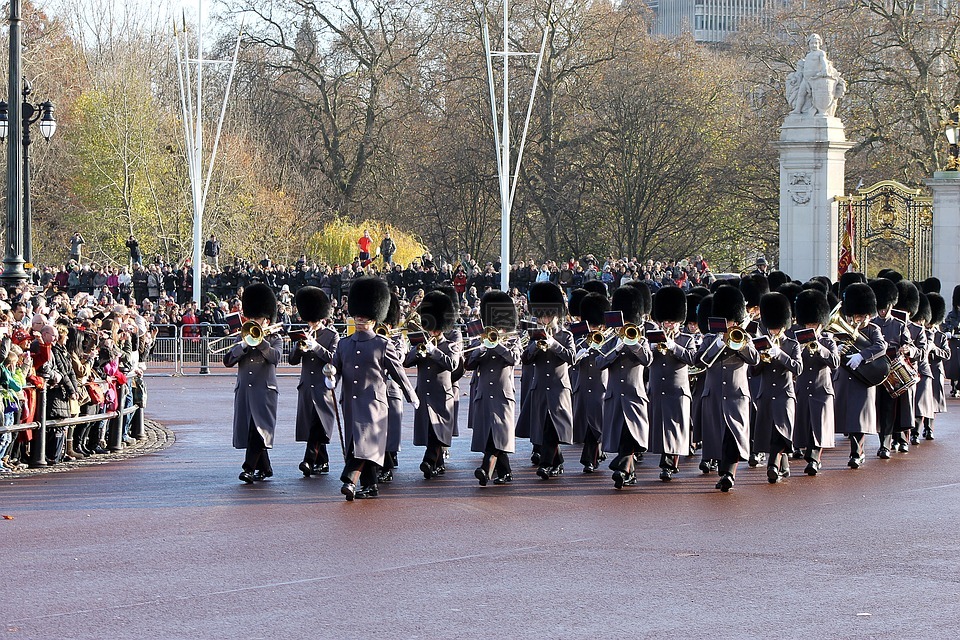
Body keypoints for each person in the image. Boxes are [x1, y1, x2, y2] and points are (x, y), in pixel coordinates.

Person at [332, 277, 417, 501]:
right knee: (361, 444)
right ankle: (371, 486)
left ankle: (350, 480)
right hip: (350, 402)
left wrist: (411, 394)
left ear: (373, 317)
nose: (360, 319)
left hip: (373, 404)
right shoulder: (344, 343)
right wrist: (329, 379)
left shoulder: (383, 343)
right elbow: (335, 369)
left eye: (365, 315)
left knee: (364, 443)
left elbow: (398, 372)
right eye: (358, 314)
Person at [694, 285, 761, 492]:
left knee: (734, 435)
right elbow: (701, 361)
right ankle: (723, 471)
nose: (729, 324)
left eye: (732, 320)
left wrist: (739, 344)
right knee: (717, 436)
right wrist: (718, 342)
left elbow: (755, 359)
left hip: (736, 394)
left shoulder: (744, 337)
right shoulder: (709, 338)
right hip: (714, 393)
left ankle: (728, 474)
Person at [224, 283, 282, 484]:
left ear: (267, 320)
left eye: (258, 320)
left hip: (264, 391)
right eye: (252, 319)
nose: (254, 323)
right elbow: (227, 361)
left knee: (258, 430)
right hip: (245, 391)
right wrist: (243, 345)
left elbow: (275, 358)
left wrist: (261, 341)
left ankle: (248, 468)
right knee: (251, 430)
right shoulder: (244, 339)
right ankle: (265, 468)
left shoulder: (275, 339)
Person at [598, 284, 653, 489]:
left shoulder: (642, 339)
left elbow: (647, 359)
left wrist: (632, 343)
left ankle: (621, 469)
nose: (626, 326)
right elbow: (600, 363)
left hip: (634, 395)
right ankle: (628, 473)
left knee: (631, 437)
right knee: (622, 436)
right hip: (615, 396)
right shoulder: (611, 341)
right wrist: (617, 348)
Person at [518, 282, 574, 479]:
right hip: (540, 387)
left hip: (559, 387)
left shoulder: (565, 335)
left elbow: (572, 357)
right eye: (541, 316)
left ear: (555, 314)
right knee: (544, 427)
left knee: (553, 425)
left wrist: (553, 344)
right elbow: (524, 359)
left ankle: (545, 464)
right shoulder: (534, 335)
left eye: (547, 315)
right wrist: (535, 347)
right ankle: (557, 462)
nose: (544, 319)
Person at [466, 290, 521, 486]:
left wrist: (496, 344)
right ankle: (505, 472)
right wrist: (480, 349)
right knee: (490, 434)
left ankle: (486, 469)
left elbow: (514, 358)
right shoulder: (481, 339)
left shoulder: (513, 339)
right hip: (484, 394)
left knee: (497, 433)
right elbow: (469, 365)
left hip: (502, 393)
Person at [404, 291, 460, 480]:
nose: (432, 331)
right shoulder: (422, 344)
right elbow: (406, 362)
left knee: (438, 432)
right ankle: (438, 464)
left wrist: (434, 351)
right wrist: (418, 353)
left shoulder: (450, 345)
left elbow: (452, 365)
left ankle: (428, 461)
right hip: (424, 394)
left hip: (442, 395)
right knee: (430, 431)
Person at [833, 281, 887, 469]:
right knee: (846, 417)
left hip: (863, 379)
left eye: (863, 316)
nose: (860, 320)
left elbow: (881, 346)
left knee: (858, 419)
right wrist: (836, 348)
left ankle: (857, 453)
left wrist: (862, 355)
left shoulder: (873, 329)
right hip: (845, 378)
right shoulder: (840, 329)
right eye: (857, 316)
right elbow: (828, 344)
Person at [647, 286, 697, 482]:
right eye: (665, 321)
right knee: (661, 427)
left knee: (675, 427)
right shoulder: (651, 338)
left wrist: (673, 347)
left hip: (677, 389)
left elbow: (692, 358)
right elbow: (644, 361)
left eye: (671, 321)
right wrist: (649, 349)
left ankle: (669, 464)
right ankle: (666, 460)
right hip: (658, 388)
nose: (668, 325)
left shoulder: (686, 339)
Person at [752, 292, 802, 483]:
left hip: (785, 394)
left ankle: (773, 465)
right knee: (772, 432)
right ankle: (784, 465)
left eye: (777, 328)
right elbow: (753, 372)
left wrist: (780, 354)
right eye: (771, 329)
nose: (774, 332)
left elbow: (798, 368)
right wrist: (763, 358)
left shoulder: (792, 344)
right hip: (766, 394)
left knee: (782, 431)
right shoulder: (761, 343)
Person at [290, 286, 339, 476]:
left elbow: (334, 358)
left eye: (315, 320)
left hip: (323, 386)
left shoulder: (332, 335)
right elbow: (293, 361)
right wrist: (299, 349)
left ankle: (308, 461)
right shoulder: (303, 334)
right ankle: (323, 462)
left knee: (318, 425)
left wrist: (316, 346)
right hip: (306, 387)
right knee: (313, 425)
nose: (312, 323)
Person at [791, 289, 839, 476]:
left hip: (821, 388)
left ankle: (814, 459)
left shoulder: (828, 341)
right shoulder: (797, 342)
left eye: (815, 324)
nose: (811, 327)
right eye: (809, 323)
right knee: (806, 425)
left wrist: (820, 349)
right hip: (803, 388)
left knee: (818, 426)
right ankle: (808, 455)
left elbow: (835, 363)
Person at [572, 292, 609, 473]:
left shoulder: (608, 340)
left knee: (596, 424)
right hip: (582, 386)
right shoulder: (580, 339)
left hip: (600, 386)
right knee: (585, 424)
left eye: (596, 325)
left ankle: (590, 460)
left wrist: (600, 348)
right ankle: (594, 456)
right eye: (592, 325)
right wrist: (578, 355)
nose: (594, 328)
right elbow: (571, 360)